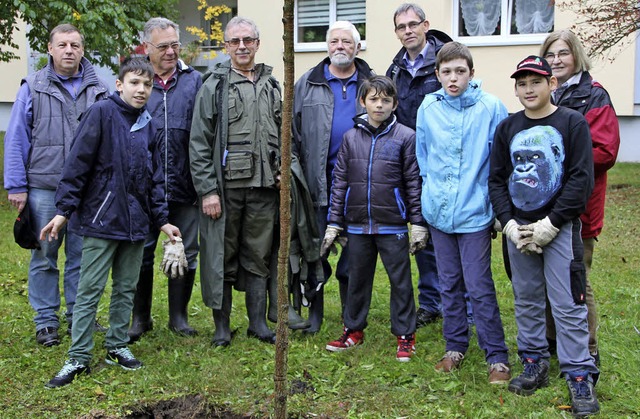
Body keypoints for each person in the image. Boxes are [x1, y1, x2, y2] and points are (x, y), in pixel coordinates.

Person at [41, 57, 182, 388]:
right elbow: (77, 165)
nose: (141, 89)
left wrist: (161, 221)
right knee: (89, 290)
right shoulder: (100, 113)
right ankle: (78, 356)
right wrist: (63, 212)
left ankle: (117, 345)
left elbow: (155, 179)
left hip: (136, 224)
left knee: (126, 288)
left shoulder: (148, 123)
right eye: (134, 82)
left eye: (147, 84)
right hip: (101, 220)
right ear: (119, 84)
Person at [489, 55, 600, 416]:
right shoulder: (508, 128)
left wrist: (551, 223)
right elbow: (497, 178)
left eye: (535, 82)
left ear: (551, 84)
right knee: (527, 298)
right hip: (518, 229)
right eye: (521, 83)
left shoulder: (572, 123)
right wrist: (507, 223)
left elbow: (580, 178)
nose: (528, 89)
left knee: (568, 302)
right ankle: (534, 359)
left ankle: (579, 373)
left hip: (560, 228)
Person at [3, 24, 109, 347]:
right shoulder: (32, 87)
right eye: (62, 44)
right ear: (49, 49)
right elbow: (16, 137)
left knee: (81, 257)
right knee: (44, 256)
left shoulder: (100, 90)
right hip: (44, 188)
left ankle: (80, 315)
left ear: (82, 49)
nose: (68, 50)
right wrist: (16, 185)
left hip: (86, 192)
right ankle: (46, 320)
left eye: (75, 45)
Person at [415, 42, 510, 383]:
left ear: (472, 72)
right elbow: (423, 156)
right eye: (446, 72)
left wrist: (496, 206)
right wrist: (429, 197)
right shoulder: (428, 107)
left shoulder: (491, 107)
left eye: (460, 71)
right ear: (437, 74)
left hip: (475, 211)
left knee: (478, 283)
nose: (453, 78)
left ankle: (496, 355)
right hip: (439, 212)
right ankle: (455, 346)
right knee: (449, 282)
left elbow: (501, 161)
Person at [190, 16, 281, 346]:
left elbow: (284, 133)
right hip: (225, 190)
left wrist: (283, 168)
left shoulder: (272, 84)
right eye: (234, 41)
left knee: (259, 256)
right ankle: (222, 327)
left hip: (264, 187)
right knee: (221, 256)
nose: (242, 46)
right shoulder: (213, 85)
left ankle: (258, 324)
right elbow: (199, 142)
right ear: (226, 46)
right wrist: (208, 190)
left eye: (248, 40)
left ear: (257, 43)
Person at [322, 75, 425, 362]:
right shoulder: (351, 137)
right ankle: (352, 329)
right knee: (357, 279)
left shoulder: (406, 137)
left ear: (394, 104)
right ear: (363, 101)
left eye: (386, 100)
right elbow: (340, 181)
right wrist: (334, 222)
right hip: (356, 224)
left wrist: (417, 223)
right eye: (374, 99)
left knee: (400, 281)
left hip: (392, 223)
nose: (379, 105)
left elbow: (413, 182)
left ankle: (405, 335)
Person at [540, 29, 620, 365]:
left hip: (580, 208)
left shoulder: (595, 95)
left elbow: (605, 151)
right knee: (545, 281)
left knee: (576, 282)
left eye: (563, 54)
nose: (556, 61)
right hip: (544, 209)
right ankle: (551, 343)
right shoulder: (544, 94)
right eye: (551, 55)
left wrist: (560, 159)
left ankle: (587, 349)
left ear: (577, 56)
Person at [292, 20, 375, 333]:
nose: (340, 46)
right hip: (316, 185)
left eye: (346, 41)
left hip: (359, 187)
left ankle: (351, 319)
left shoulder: (372, 83)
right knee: (315, 253)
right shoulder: (307, 83)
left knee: (354, 258)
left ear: (357, 47)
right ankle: (314, 316)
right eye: (334, 41)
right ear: (327, 47)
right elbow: (293, 133)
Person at [127, 17, 203, 343]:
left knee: (186, 251)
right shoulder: (138, 81)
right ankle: (139, 319)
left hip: (187, 185)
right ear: (147, 48)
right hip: (145, 188)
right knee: (140, 253)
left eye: (175, 44)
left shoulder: (195, 81)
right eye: (163, 46)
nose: (171, 51)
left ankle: (179, 317)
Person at [386, 3, 450, 328]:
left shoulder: (445, 62)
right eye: (402, 27)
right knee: (421, 234)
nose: (408, 30)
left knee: (450, 235)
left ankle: (458, 302)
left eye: (413, 24)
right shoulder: (394, 71)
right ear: (396, 32)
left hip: (443, 164)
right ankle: (431, 301)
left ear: (426, 25)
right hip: (410, 166)